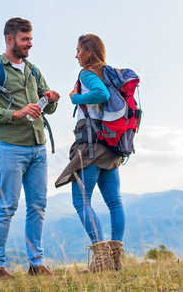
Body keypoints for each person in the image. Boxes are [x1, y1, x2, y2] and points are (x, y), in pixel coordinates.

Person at [0, 17, 60, 280]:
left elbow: (48, 108)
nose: (30, 44)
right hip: (9, 148)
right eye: (25, 39)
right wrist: (17, 113)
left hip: (38, 147)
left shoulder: (33, 70)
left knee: (38, 206)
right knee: (7, 207)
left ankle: (36, 264)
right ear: (10, 39)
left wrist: (51, 100)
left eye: (31, 39)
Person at [55, 34, 126, 272]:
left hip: (92, 145)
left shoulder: (87, 73)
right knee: (115, 202)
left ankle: (101, 259)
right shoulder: (111, 73)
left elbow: (102, 95)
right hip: (111, 146)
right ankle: (115, 260)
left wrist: (76, 98)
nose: (76, 55)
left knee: (81, 201)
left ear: (88, 51)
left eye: (78, 50)